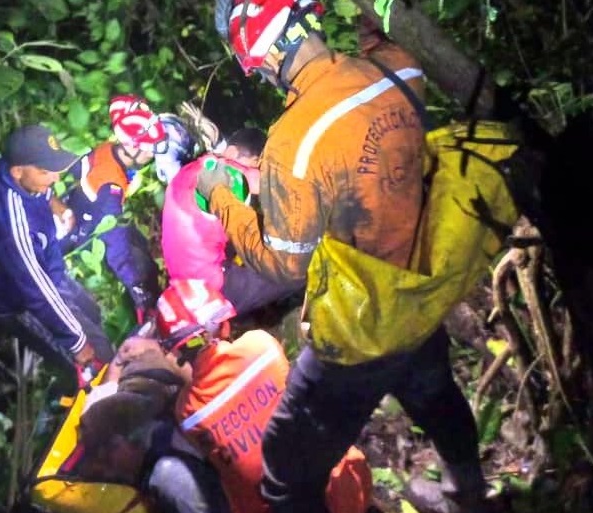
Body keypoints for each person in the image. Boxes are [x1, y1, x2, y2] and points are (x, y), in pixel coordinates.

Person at [199, 2, 491, 513]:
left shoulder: (292, 141)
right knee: (436, 395)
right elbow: (377, 44)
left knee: (286, 467)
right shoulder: (396, 69)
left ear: (267, 54)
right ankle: (471, 495)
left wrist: (223, 198)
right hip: (417, 290)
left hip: (358, 328)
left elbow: (283, 263)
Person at [154, 279, 372, 513]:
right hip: (344, 494)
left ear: (176, 351)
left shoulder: (187, 412)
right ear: (224, 323)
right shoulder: (261, 346)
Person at [0, 124, 114, 381]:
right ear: (18, 171)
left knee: (92, 313)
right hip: (19, 302)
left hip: (47, 269)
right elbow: (37, 291)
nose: (56, 179)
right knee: (96, 358)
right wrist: (78, 343)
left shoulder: (13, 171)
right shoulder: (12, 227)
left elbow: (40, 187)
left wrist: (54, 202)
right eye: (47, 172)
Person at [77, 331, 230, 513]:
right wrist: (120, 360)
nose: (109, 471)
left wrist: (130, 355)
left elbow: (201, 385)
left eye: (108, 455)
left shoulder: (171, 458)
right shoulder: (101, 420)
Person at [50, 95, 170, 322]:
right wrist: (138, 291)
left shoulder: (107, 149)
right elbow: (116, 248)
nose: (151, 155)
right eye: (148, 150)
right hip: (77, 235)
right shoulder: (111, 188)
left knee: (136, 241)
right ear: (130, 147)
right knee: (136, 263)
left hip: (79, 209)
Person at [161, 127, 301, 318]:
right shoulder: (232, 173)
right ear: (233, 153)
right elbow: (280, 185)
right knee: (296, 266)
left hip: (179, 279)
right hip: (211, 287)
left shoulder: (188, 170)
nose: (255, 170)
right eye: (255, 164)